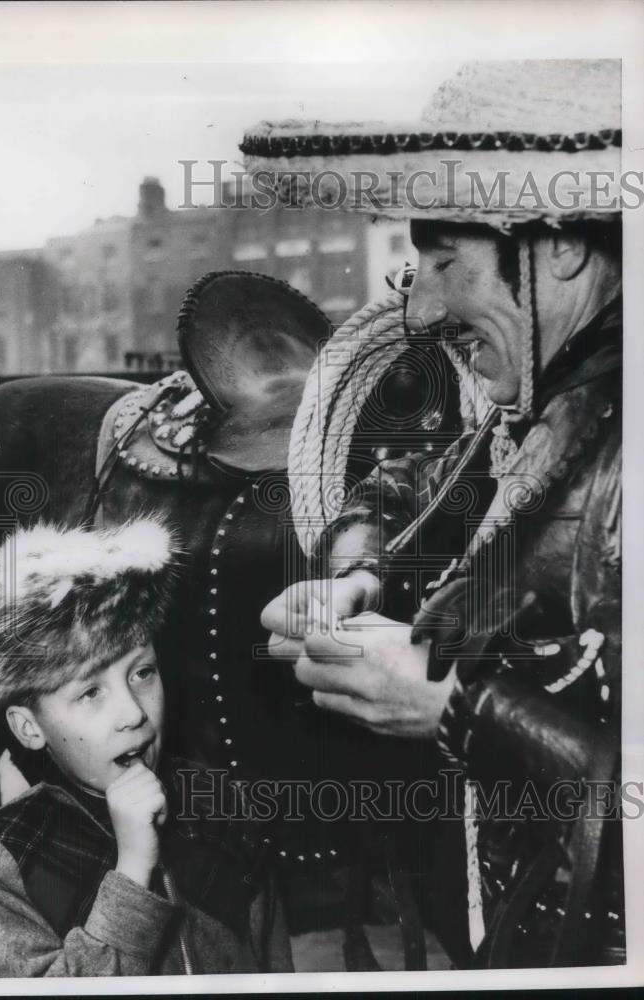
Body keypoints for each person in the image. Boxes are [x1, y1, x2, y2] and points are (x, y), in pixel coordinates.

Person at [249, 59, 624, 967]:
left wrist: (451, 705)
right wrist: (356, 572)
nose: (416, 310)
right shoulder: (565, 395)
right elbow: (431, 482)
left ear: (560, 248)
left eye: (445, 262)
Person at [0, 518, 292, 977]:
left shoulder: (223, 802)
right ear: (28, 727)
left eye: (142, 673)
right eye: (90, 693)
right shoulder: (1, 857)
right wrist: (132, 871)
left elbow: (274, 967)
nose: (134, 713)